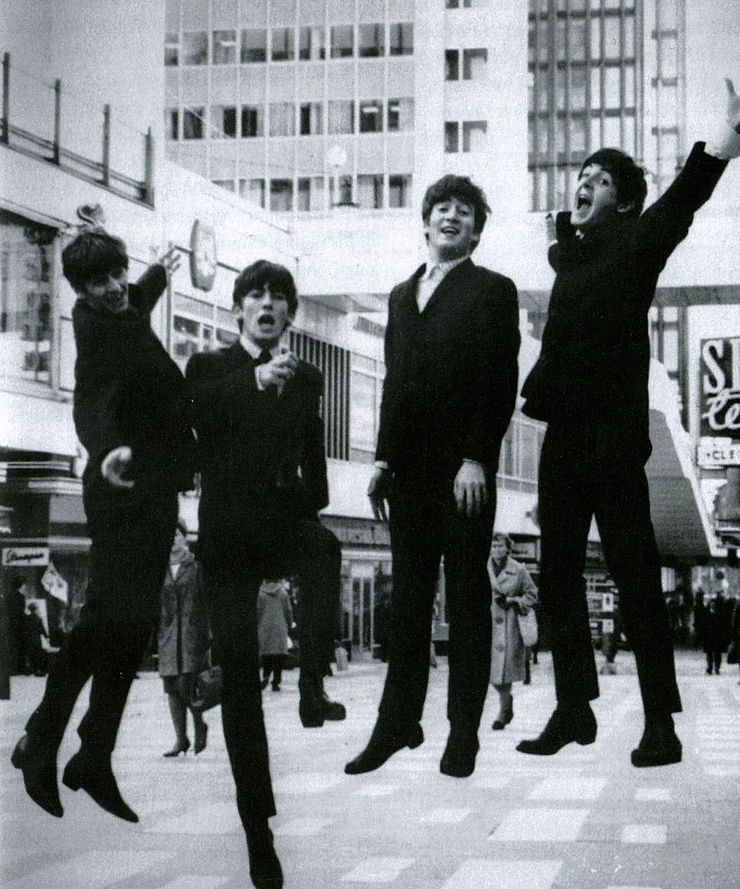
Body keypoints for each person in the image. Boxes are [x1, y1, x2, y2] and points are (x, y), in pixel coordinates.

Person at [516, 67, 740, 768]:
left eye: (600, 179)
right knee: (556, 576)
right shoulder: (567, 261)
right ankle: (574, 708)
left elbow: (682, 201)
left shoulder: (636, 245)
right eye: (582, 174)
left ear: (626, 202)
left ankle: (661, 723)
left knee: (636, 580)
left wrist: (726, 133)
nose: (584, 182)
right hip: (561, 440)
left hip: (610, 439)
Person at [12, 228, 195, 821]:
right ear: (80, 291)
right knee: (105, 619)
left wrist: (157, 274)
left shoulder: (121, 309)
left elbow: (135, 299)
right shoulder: (96, 333)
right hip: (122, 487)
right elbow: (89, 401)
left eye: (119, 273)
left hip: (152, 489)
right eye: (100, 281)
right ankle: (44, 738)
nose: (115, 287)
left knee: (132, 621)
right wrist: (108, 445)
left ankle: (94, 752)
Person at [345, 175, 520, 779]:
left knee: (467, 598)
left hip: (462, 473)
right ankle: (398, 722)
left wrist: (477, 456)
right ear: (425, 222)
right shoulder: (400, 295)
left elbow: (500, 382)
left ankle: (462, 734)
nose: (451, 217)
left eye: (464, 212)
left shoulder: (493, 290)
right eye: (441, 208)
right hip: (408, 473)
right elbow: (394, 382)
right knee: (409, 601)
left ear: (476, 229)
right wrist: (381, 460)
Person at [186, 259, 344, 889]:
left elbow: (318, 469)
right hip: (226, 535)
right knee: (242, 690)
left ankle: (311, 686)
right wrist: (254, 381)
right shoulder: (209, 368)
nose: (269, 303)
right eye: (257, 295)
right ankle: (259, 833)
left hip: (278, 522)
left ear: (290, 314)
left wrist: (301, 498)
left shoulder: (308, 376)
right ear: (239, 310)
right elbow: (197, 420)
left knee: (326, 548)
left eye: (280, 296)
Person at [158, 519, 209, 756]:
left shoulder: (195, 566)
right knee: (171, 687)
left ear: (184, 538)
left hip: (191, 633)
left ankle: (199, 726)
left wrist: (208, 633)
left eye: (176, 536)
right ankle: (181, 739)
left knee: (187, 685)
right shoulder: (161, 568)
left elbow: (206, 599)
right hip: (168, 634)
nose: (171, 542)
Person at [487, 533, 537, 730]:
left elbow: (532, 595)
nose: (497, 550)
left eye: (500, 546)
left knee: (504, 672)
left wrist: (515, 602)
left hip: (509, 627)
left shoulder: (519, 570)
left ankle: (502, 712)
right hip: (488, 624)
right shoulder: (483, 567)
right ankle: (507, 705)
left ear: (507, 548)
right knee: (490, 672)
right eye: (493, 546)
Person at [258, 579, 293, 691]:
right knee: (279, 655)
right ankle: (276, 681)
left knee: (266, 654)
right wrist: (289, 623)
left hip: (264, 626)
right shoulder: (283, 592)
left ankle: (266, 675)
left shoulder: (260, 593)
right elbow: (288, 610)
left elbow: (258, 611)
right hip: (280, 626)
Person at [701, 591, 731, 676]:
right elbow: (704, 625)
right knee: (709, 654)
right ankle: (710, 668)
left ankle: (717, 668)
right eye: (711, 604)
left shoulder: (720, 614)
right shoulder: (707, 613)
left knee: (717, 653)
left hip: (717, 636)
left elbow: (724, 624)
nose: (713, 606)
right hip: (709, 636)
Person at [23, 601, 49, 677]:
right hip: (36, 640)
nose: (38, 610)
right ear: (35, 610)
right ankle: (37, 670)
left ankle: (30, 669)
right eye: (37, 609)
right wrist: (47, 637)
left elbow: (25, 630)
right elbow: (42, 629)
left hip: (29, 639)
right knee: (37, 654)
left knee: (30, 654)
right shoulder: (38, 618)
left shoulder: (27, 619)